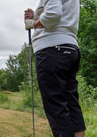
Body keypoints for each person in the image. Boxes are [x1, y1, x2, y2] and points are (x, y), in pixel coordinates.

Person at [24, 0, 86, 136]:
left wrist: (32, 23)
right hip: (70, 47)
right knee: (71, 103)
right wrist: (36, 16)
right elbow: (58, 15)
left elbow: (53, 15)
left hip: (51, 49)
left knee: (56, 106)